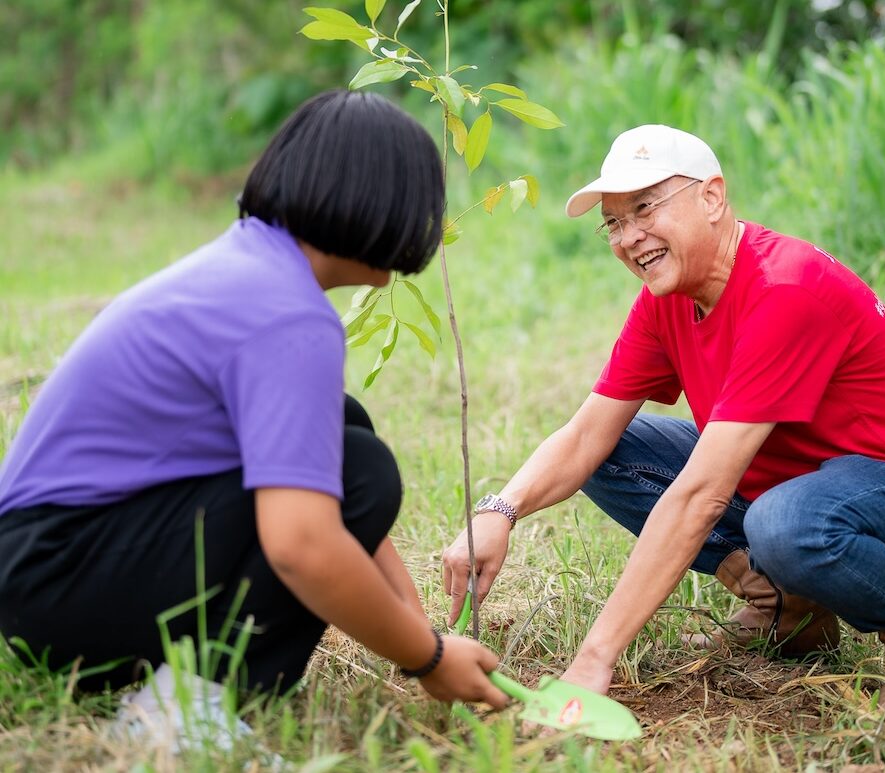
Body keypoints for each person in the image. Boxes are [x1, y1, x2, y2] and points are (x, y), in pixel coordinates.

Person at [442, 124, 885, 716]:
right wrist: (500, 510)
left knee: (786, 526)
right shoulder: (667, 300)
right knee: (614, 452)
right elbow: (584, 436)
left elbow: (701, 495)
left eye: (645, 207)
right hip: (794, 486)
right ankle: (789, 606)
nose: (630, 237)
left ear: (712, 197)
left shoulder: (785, 288)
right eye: (615, 223)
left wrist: (595, 657)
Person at [0, 89, 507, 712]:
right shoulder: (286, 316)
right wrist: (426, 658)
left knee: (344, 427)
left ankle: (186, 695)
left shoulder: (251, 267)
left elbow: (337, 499)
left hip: (40, 575)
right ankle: (189, 717)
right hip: (58, 588)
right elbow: (304, 543)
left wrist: (423, 636)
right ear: (375, 201)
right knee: (359, 466)